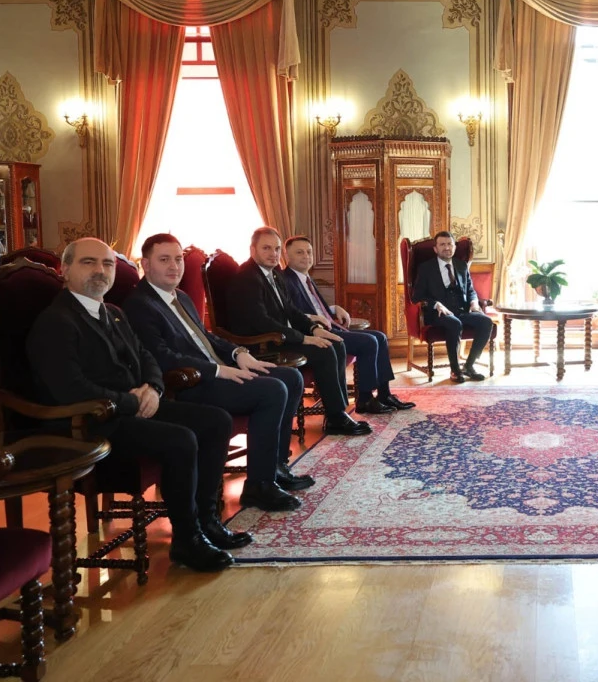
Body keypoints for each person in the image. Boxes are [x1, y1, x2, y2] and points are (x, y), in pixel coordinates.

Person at [26, 238, 240, 573]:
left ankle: (206, 519)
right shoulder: (56, 321)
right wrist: (131, 401)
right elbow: (70, 388)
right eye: (88, 262)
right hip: (88, 421)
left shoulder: (114, 313)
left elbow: (146, 357)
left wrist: (153, 388)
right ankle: (187, 540)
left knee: (216, 421)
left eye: (107, 264)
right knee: (181, 439)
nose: (100, 270)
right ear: (65, 269)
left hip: (129, 408)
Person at [124, 233, 312, 514]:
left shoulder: (180, 296)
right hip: (190, 383)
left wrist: (238, 353)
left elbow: (207, 337)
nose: (174, 266)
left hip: (216, 369)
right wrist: (217, 370)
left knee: (291, 377)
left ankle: (274, 466)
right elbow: (162, 357)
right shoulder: (139, 305)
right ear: (146, 265)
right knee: (272, 390)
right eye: (164, 260)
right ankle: (259, 486)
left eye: (178, 259)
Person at [225, 227, 370, 436]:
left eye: (276, 249)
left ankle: (337, 413)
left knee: (335, 343)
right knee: (324, 351)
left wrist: (314, 329)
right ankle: (336, 418)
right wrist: (304, 338)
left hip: (280, 335)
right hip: (261, 343)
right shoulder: (247, 278)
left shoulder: (274, 272)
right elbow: (262, 323)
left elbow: (290, 310)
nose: (273, 254)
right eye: (266, 248)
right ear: (252, 250)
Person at [281, 235, 413, 413]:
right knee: (368, 342)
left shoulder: (305, 278)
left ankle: (384, 394)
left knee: (380, 337)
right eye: (299, 252)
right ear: (287, 255)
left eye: (309, 252)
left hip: (329, 326)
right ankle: (365, 399)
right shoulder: (285, 280)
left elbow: (314, 307)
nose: (306, 256)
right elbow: (288, 314)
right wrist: (312, 319)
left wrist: (333, 308)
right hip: (315, 333)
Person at [411, 231, 495, 383]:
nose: (447, 248)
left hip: (461, 310)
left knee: (486, 322)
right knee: (454, 323)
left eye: (450, 244)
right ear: (435, 249)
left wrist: (474, 302)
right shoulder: (425, 268)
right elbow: (416, 296)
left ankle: (469, 366)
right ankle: (455, 370)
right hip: (437, 314)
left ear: (454, 247)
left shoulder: (461, 265)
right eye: (442, 244)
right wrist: (436, 304)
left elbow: (470, 290)